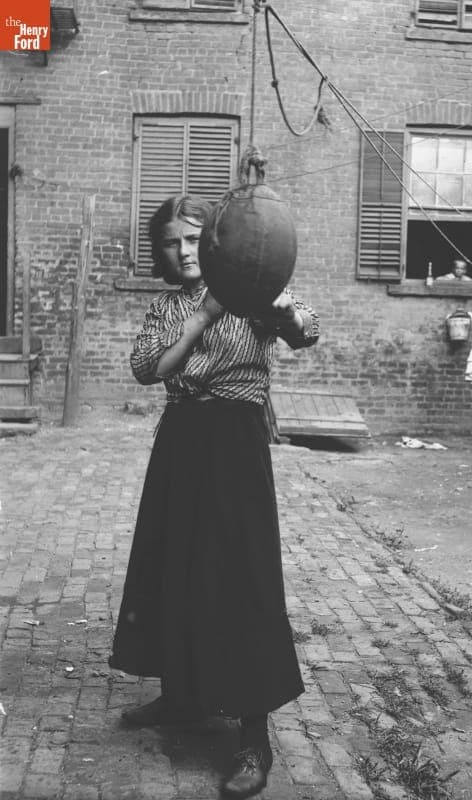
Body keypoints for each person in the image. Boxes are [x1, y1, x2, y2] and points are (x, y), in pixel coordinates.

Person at [108, 194, 319, 798]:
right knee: (174, 565)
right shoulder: (169, 307)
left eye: (194, 239)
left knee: (242, 578)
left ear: (218, 243)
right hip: (180, 441)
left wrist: (275, 307)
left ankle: (254, 734)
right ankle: (183, 697)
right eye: (171, 242)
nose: (183, 251)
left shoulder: (254, 294)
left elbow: (307, 331)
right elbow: (149, 369)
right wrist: (201, 317)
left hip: (235, 441)